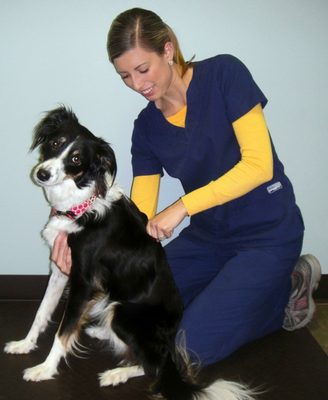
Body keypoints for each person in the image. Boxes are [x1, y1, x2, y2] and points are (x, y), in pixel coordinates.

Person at [52, 8, 321, 366]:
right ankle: (240, 293)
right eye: (125, 76)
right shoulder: (146, 128)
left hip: (268, 234)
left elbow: (259, 166)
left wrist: (182, 206)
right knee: (137, 308)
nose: (137, 84)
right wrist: (73, 226)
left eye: (142, 69)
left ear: (167, 49)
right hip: (208, 240)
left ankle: (286, 289)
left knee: (185, 349)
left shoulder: (225, 74)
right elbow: (141, 217)